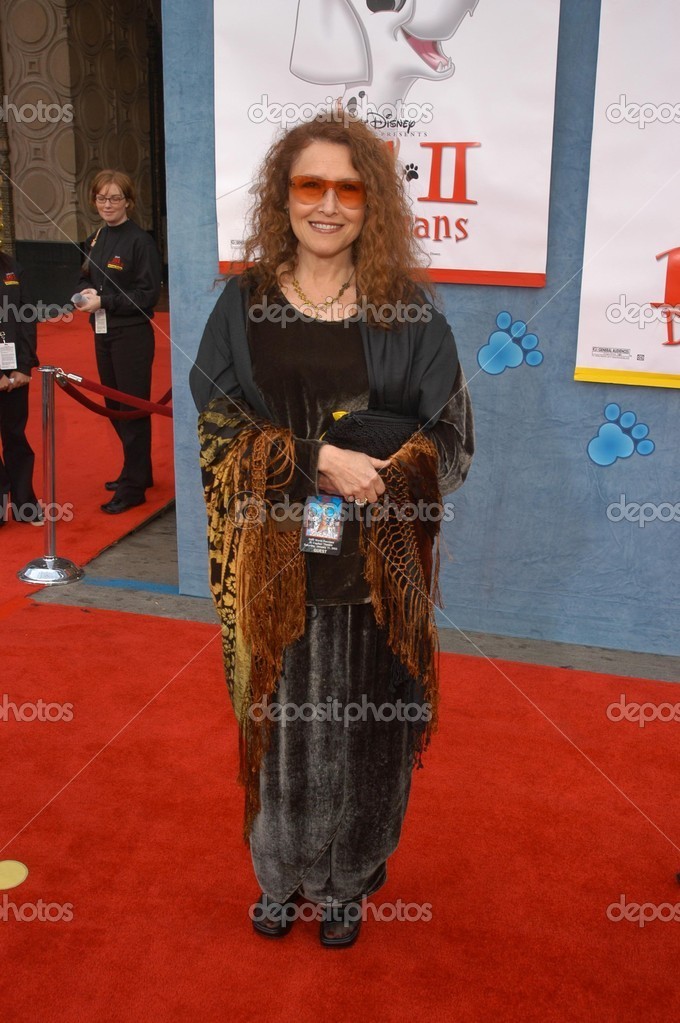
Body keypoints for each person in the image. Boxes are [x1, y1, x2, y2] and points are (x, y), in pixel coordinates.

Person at [190, 111, 474, 947]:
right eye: (310, 184)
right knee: (280, 733)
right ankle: (281, 875)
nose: (328, 204)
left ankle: (348, 880)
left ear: (370, 203)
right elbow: (215, 429)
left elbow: (452, 444)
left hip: (380, 572)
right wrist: (320, 459)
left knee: (367, 734)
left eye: (348, 188)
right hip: (274, 568)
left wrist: (381, 467)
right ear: (284, 197)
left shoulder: (411, 313)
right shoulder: (241, 305)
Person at [73, 170, 161, 513]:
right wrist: (81, 295)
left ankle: (133, 487)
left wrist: (105, 301)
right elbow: (83, 275)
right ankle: (139, 470)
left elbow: (148, 294)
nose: (107, 204)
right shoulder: (97, 236)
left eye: (114, 198)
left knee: (131, 409)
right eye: (101, 198)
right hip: (103, 331)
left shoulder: (141, 242)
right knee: (114, 408)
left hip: (132, 335)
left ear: (129, 201)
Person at [0, 250, 40, 526]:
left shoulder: (12, 266)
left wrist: (24, 366)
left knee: (15, 436)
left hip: (15, 369)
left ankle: (25, 503)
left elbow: (27, 318)